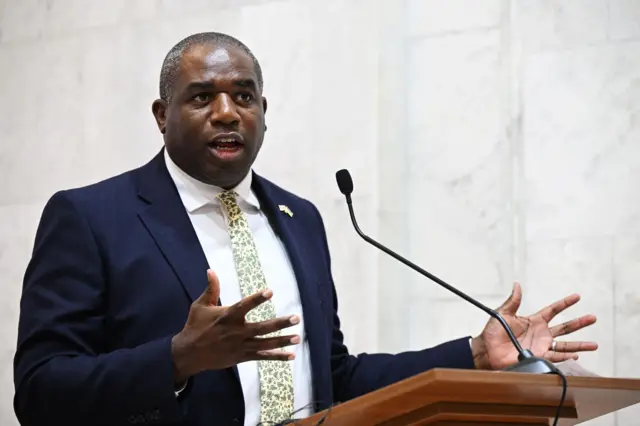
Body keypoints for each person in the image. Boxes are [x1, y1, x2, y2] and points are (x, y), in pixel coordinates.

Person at [13, 32, 598, 426]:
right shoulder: (91, 217)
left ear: (264, 113)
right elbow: (40, 391)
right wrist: (178, 358)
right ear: (161, 116)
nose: (226, 111)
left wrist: (473, 353)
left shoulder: (301, 219)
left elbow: (334, 375)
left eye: (244, 96)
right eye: (201, 97)